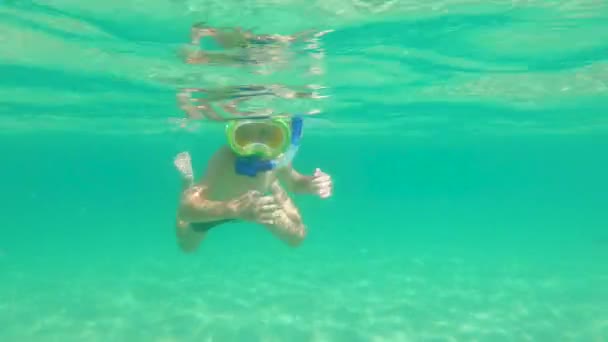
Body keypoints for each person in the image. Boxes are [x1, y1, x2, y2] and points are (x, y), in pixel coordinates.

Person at [173, 115, 333, 253]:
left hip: (255, 206)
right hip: (217, 207)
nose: (257, 149)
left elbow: (295, 183)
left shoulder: (279, 159)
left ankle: (272, 184)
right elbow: (185, 210)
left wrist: (312, 184)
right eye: (246, 136)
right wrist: (232, 209)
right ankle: (187, 182)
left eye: (271, 137)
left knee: (296, 238)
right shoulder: (225, 159)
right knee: (186, 245)